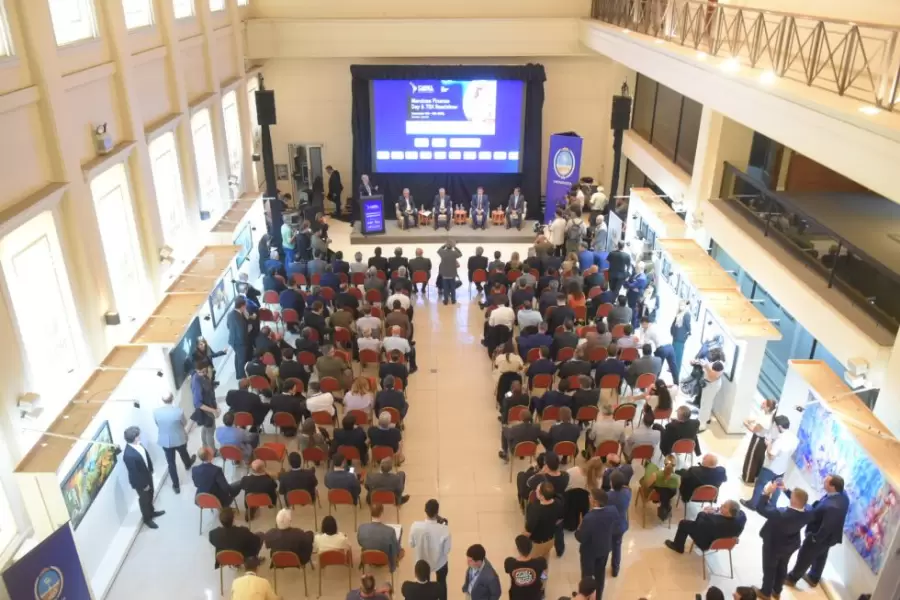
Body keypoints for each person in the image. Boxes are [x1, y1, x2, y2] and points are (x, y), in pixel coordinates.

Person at [785, 475, 849, 589]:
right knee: (821, 556)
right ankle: (814, 577)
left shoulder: (833, 507)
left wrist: (815, 538)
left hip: (820, 536)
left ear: (833, 487)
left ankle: (792, 578)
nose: (823, 482)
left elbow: (827, 527)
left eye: (826, 482)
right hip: (829, 538)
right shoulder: (843, 496)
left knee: (805, 555)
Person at [755, 482, 812, 600]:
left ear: (793, 501)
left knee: (769, 567)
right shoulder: (808, 512)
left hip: (773, 544)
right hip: (790, 545)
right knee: (782, 566)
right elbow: (800, 502)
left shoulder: (780, 514)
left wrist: (767, 492)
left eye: (791, 497)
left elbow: (760, 508)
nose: (790, 497)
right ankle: (777, 591)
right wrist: (786, 490)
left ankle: (765, 592)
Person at [742, 415, 797, 511]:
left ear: (779, 427)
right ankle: (772, 505)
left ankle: (753, 504)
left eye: (775, 426)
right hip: (782, 468)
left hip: (770, 468)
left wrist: (768, 445)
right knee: (777, 487)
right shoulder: (794, 438)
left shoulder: (780, 440)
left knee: (760, 484)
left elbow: (771, 455)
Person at [575, 488, 619, 598]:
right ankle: (598, 596)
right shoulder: (612, 510)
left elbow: (581, 538)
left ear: (595, 502)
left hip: (589, 552)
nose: (588, 498)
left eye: (590, 497)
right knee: (600, 574)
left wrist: (578, 529)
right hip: (604, 548)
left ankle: (585, 595)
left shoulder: (589, 518)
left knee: (587, 576)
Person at [664, 499, 747, 554]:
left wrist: (704, 512)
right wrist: (718, 510)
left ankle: (678, 547)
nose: (721, 505)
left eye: (724, 506)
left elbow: (698, 524)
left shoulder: (713, 521)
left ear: (729, 513)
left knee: (684, 523)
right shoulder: (742, 517)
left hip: (707, 542)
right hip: (724, 539)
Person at [153, 393, 195, 495]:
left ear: (163, 400)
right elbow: (184, 423)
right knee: (183, 452)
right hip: (179, 438)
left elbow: (157, 424)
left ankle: (176, 485)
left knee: (171, 463)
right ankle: (188, 464)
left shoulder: (156, 412)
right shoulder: (178, 411)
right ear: (172, 399)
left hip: (165, 441)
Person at [410, 499, 452, 600]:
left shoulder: (415, 526)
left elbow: (411, 544)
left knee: (424, 584)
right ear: (437, 512)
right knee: (441, 582)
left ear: (425, 511)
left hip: (422, 563)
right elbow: (446, 551)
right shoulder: (444, 529)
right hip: (439, 563)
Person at [122, 426, 163, 529]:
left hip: (147, 475)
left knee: (151, 494)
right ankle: (147, 519)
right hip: (141, 482)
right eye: (138, 435)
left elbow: (146, 457)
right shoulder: (128, 455)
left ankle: (152, 512)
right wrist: (144, 485)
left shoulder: (138, 444)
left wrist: (151, 469)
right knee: (144, 500)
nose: (140, 436)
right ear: (135, 437)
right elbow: (135, 473)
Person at [741, 398, 778, 484]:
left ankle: (748, 478)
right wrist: (750, 420)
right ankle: (755, 476)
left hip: (758, 440)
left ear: (768, 408)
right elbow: (756, 419)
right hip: (761, 441)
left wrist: (745, 423)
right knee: (758, 459)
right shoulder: (766, 414)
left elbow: (754, 429)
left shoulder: (766, 420)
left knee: (752, 458)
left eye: (764, 403)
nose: (762, 404)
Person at [524, 482, 564, 560]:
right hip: (550, 540)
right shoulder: (558, 503)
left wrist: (522, 538)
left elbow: (528, 531)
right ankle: (544, 572)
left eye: (537, 490)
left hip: (537, 544)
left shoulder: (535, 509)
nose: (535, 491)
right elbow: (559, 520)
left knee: (533, 563)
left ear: (542, 496)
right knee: (545, 560)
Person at [358, 502, 403, 571]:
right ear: (382, 513)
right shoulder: (390, 531)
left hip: (369, 556)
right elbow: (395, 547)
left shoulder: (361, 528)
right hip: (385, 558)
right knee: (399, 536)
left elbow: (360, 542)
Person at [639, 454, 681, 520]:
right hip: (667, 497)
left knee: (645, 476)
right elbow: (677, 488)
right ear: (675, 465)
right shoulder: (678, 478)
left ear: (664, 463)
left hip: (653, 495)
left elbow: (647, 485)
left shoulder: (656, 475)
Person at [504, 535, 547, 600]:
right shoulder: (540, 562)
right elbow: (544, 576)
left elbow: (507, 571)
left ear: (518, 549)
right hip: (534, 595)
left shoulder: (510, 563)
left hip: (517, 596)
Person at [606, 470, 632, 577]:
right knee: (617, 546)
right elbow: (626, 488)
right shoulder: (627, 493)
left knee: (606, 545)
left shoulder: (607, 496)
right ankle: (615, 569)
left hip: (608, 526)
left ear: (611, 483)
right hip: (621, 525)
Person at [670, 300, 692, 378]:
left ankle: (676, 373)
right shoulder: (679, 313)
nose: (680, 306)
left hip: (680, 339)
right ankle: (673, 369)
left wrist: (689, 332)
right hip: (676, 337)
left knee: (678, 356)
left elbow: (688, 327)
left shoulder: (686, 315)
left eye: (682, 305)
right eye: (680, 305)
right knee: (674, 354)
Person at [437, 241, 462, 305]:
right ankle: (453, 300)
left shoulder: (442, 253)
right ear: (451, 248)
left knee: (445, 288)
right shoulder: (454, 253)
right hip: (452, 273)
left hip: (445, 274)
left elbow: (438, 250)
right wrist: (455, 247)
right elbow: (460, 254)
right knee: (453, 287)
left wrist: (444, 245)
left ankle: (446, 300)